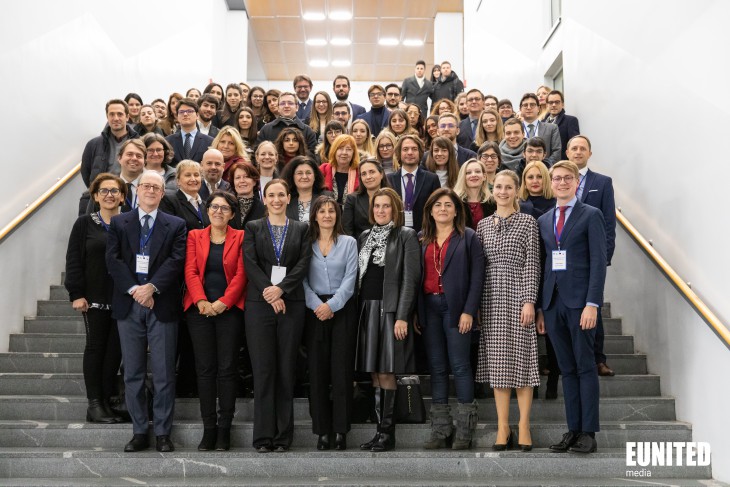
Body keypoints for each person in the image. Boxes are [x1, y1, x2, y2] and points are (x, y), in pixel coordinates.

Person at [105, 170, 187, 453]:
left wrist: (151, 288)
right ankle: (139, 430)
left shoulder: (176, 224)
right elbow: (113, 260)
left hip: (161, 304)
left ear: (163, 193)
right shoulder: (119, 222)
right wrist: (134, 290)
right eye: (146, 186)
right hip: (129, 305)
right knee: (133, 372)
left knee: (164, 373)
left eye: (157, 187)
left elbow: (176, 261)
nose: (151, 190)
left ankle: (163, 432)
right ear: (137, 190)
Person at [537, 160, 607, 455]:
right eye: (557, 178)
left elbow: (598, 263)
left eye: (568, 178)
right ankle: (573, 430)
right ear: (551, 183)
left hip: (581, 304)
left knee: (584, 366)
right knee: (566, 369)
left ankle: (588, 432)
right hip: (553, 305)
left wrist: (593, 303)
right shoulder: (544, 220)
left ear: (577, 182)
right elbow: (544, 265)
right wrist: (541, 308)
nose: (562, 182)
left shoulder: (591, 215)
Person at [243, 179, 312, 452]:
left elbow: (304, 262)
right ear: (265, 197)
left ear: (288, 197)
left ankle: (283, 437)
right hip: (259, 305)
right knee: (263, 370)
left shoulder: (301, 228)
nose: (275, 199)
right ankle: (262, 437)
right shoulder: (253, 227)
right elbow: (250, 263)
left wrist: (281, 290)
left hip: (291, 304)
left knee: (285, 370)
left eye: (280, 195)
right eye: (270, 195)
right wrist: (269, 293)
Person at [476, 169, 541, 452]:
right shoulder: (482, 226)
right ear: (493, 190)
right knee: (499, 364)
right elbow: (478, 268)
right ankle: (503, 426)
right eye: (498, 187)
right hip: (491, 296)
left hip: (518, 294)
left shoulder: (528, 222)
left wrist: (529, 300)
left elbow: (533, 264)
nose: (502, 192)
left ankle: (523, 424)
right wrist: (476, 304)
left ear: (517, 191)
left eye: (508, 187)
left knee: (523, 363)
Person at [418, 188, 484, 450]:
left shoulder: (468, 237)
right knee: (436, 368)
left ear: (457, 210)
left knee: (460, 366)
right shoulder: (421, 238)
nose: (443, 209)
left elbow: (477, 277)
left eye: (448, 205)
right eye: (438, 205)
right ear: (430, 210)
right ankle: (441, 430)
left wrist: (469, 310)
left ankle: (465, 431)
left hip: (457, 310)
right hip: (429, 307)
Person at [357, 187, 420, 453]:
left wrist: (402, 316)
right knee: (373, 371)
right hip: (366, 308)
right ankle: (378, 431)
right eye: (377, 206)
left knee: (387, 370)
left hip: (391, 311)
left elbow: (410, 279)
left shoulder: (405, 235)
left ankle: (387, 433)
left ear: (394, 209)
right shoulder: (363, 236)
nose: (380, 211)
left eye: (386, 206)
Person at [183, 190, 247, 451]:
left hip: (229, 311)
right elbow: (190, 270)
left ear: (232, 214)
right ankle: (209, 428)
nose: (218, 211)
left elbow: (242, 274)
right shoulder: (194, 236)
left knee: (227, 369)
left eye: (224, 208)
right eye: (214, 207)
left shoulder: (241, 237)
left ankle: (224, 429)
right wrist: (201, 301)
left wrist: (223, 303)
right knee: (205, 369)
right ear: (207, 210)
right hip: (199, 311)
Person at [65, 173, 127, 424]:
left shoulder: (127, 224)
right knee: (95, 349)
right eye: (104, 191)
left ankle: (106, 401)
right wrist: (76, 294)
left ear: (123, 196)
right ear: (95, 196)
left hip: (122, 299)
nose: (110, 195)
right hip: (93, 300)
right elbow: (73, 260)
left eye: (115, 191)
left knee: (114, 353)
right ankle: (94, 404)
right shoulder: (84, 224)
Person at [302, 196, 358, 451]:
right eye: (322, 211)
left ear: (338, 215)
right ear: (314, 215)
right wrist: (317, 306)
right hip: (314, 312)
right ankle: (322, 431)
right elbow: (300, 278)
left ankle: (340, 430)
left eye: (331, 211)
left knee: (341, 372)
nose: (327, 215)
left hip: (342, 310)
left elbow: (351, 279)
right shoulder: (306, 243)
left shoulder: (349, 243)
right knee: (318, 372)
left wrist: (332, 305)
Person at [566, 135, 617, 377]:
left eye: (582, 149)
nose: (578, 152)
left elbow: (609, 222)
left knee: (593, 305)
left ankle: (598, 359)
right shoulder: (559, 179)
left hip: (592, 259)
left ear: (589, 153)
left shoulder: (602, 182)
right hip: (565, 259)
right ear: (567, 152)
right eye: (574, 148)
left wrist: (604, 256)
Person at [518, 161, 560, 398]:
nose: (534, 181)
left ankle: (553, 379)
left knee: (552, 333)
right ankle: (531, 384)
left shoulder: (556, 205)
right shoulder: (520, 206)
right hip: (529, 270)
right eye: (529, 177)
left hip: (551, 271)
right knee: (529, 333)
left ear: (546, 179)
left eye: (539, 176)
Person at [387, 135, 440, 233]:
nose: (410, 152)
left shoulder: (431, 179)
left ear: (420, 153)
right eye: (405, 149)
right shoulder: (389, 179)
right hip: (396, 233)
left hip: (424, 233)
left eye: (414, 149)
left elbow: (436, 208)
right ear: (399, 153)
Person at [81, 99, 139, 189]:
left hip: (130, 194)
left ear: (127, 117)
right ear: (107, 117)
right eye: (112, 114)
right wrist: (96, 191)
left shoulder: (139, 143)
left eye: (120, 114)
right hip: (102, 195)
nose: (116, 118)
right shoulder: (93, 144)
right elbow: (85, 172)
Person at [343, 158, 390, 238]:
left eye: (372, 172)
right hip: (360, 247)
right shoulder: (352, 199)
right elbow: (347, 231)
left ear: (381, 174)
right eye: (364, 174)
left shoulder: (393, 197)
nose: (368, 177)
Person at [160, 160, 210, 231]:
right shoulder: (169, 201)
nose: (193, 179)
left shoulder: (205, 205)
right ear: (178, 181)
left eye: (196, 175)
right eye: (188, 175)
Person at [280, 155, 330, 223]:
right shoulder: (285, 200)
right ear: (292, 176)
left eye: (308, 173)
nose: (304, 176)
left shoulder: (327, 197)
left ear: (315, 176)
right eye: (299, 173)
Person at [165, 98, 215, 165]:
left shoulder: (209, 141)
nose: (185, 114)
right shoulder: (168, 141)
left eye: (189, 111)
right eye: (181, 112)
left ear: (197, 115)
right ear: (177, 116)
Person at [454, 158, 496, 230]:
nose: (473, 175)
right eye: (468, 173)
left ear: (484, 176)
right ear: (463, 177)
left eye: (477, 171)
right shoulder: (454, 201)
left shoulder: (493, 201)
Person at [518, 93, 561, 165]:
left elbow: (556, 152)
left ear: (538, 108)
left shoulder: (552, 128)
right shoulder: (515, 131)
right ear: (520, 109)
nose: (529, 107)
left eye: (532, 105)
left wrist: (543, 167)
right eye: (525, 105)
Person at [320, 134, 360, 205]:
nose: (344, 153)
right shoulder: (323, 170)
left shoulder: (360, 172)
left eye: (348, 149)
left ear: (353, 153)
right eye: (340, 148)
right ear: (334, 151)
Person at [228, 161, 266, 231]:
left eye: (246, 177)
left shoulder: (263, 209)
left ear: (254, 181)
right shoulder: (227, 206)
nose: (242, 181)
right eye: (237, 178)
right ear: (233, 182)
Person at [544, 90, 580, 161]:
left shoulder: (570, 120)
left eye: (557, 102)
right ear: (547, 105)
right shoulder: (542, 122)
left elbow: (574, 144)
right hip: (544, 164)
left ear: (562, 104)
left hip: (562, 163)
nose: (554, 105)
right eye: (551, 102)